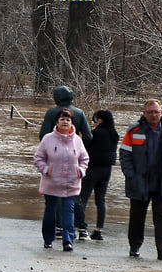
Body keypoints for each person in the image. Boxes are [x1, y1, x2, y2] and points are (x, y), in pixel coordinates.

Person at [119, 98, 162, 260]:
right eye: (150, 112)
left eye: (156, 112)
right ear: (144, 113)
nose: (153, 115)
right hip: (139, 181)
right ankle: (134, 247)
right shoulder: (134, 131)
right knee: (136, 216)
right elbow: (124, 154)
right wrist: (130, 175)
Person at [38, 86, 92, 238]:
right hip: (74, 160)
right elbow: (88, 136)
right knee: (74, 195)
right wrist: (79, 151)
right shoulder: (79, 113)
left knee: (55, 194)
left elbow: (43, 136)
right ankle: (82, 227)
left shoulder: (52, 113)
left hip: (54, 160)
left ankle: (60, 226)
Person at [34, 109, 89, 251]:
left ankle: (68, 240)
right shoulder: (48, 139)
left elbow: (84, 159)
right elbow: (38, 158)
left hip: (71, 182)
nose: (65, 122)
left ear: (71, 123)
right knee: (50, 212)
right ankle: (48, 239)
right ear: (57, 122)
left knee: (68, 212)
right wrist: (46, 170)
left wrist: (81, 171)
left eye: (68, 120)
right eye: (62, 119)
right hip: (52, 182)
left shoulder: (77, 140)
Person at [74, 109, 119, 241]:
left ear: (99, 120)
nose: (93, 123)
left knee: (82, 198)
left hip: (92, 169)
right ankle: (98, 230)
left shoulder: (96, 133)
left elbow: (85, 147)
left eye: (94, 120)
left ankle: (79, 226)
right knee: (101, 200)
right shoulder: (114, 134)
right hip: (107, 170)